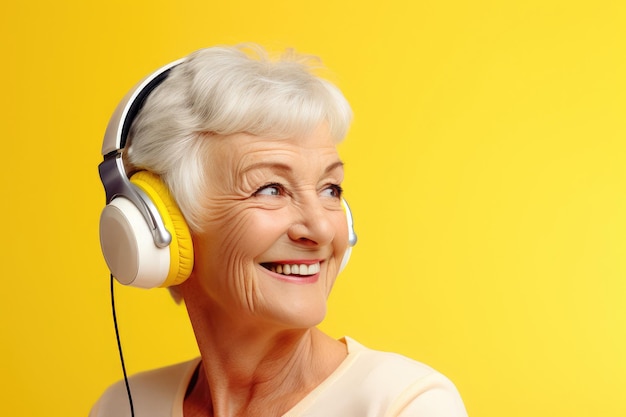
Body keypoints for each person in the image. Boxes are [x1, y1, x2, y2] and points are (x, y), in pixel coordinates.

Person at [91, 44, 468, 417]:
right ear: (163, 224)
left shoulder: (405, 404)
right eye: (270, 189)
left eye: (330, 189)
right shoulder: (122, 407)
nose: (321, 229)